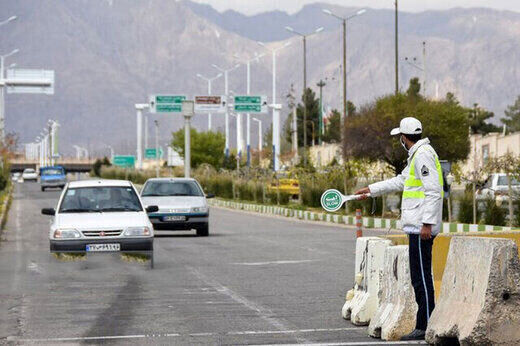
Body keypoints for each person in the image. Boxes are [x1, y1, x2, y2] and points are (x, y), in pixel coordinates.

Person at [355, 117, 443, 341]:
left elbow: (433, 190)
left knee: (422, 278)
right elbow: (400, 181)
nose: (400, 141)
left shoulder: (423, 154)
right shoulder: (417, 156)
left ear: (404, 138)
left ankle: (425, 326)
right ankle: (423, 324)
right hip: (416, 227)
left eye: (399, 138)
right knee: (418, 277)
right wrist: (371, 190)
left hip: (421, 228)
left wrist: (427, 223)